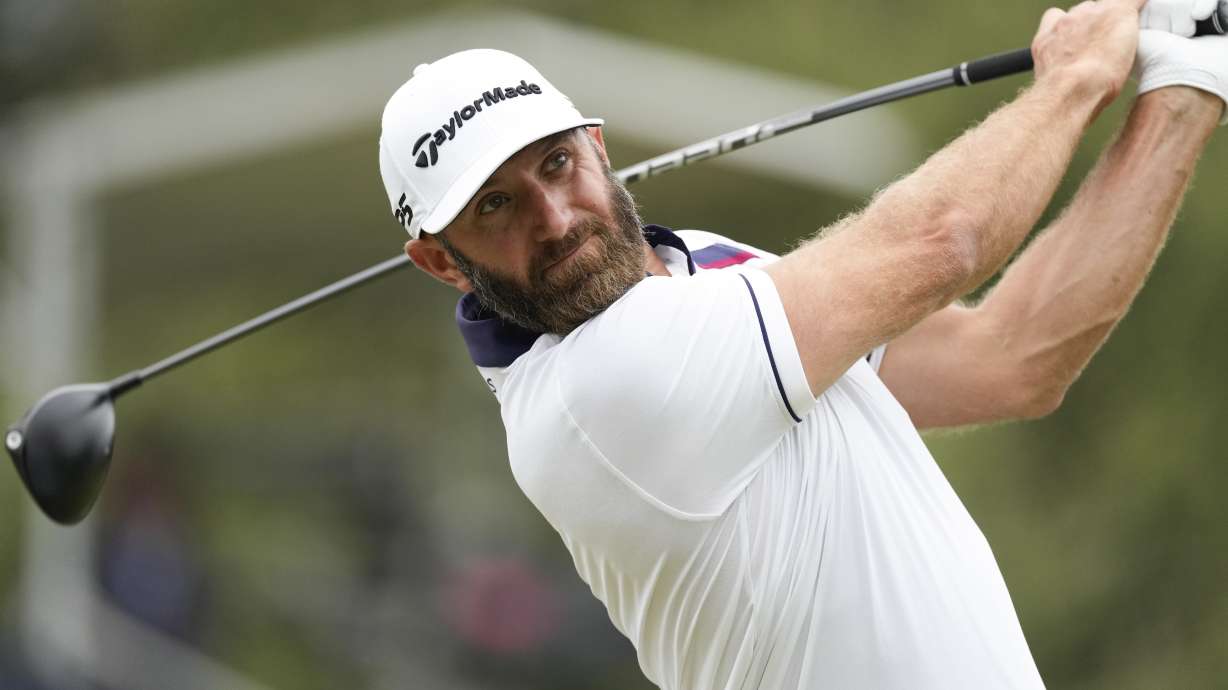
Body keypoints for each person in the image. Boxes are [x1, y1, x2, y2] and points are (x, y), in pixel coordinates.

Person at [377, 0, 1226, 686]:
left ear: (596, 148)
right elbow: (942, 243)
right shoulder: (599, 389)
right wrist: (1078, 77)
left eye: (555, 165)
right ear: (439, 262)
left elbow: (1012, 358)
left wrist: (1186, 83)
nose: (554, 220)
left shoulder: (705, 274)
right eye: (495, 206)